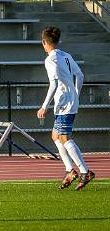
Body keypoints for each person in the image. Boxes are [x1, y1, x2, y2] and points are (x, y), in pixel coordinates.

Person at [37, 26, 95, 191]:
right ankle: (70, 171)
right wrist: (75, 94)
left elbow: (54, 83)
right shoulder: (66, 55)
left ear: (44, 42)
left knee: (64, 138)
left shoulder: (50, 59)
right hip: (69, 101)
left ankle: (85, 171)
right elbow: (80, 75)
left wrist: (44, 106)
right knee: (56, 135)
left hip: (63, 103)